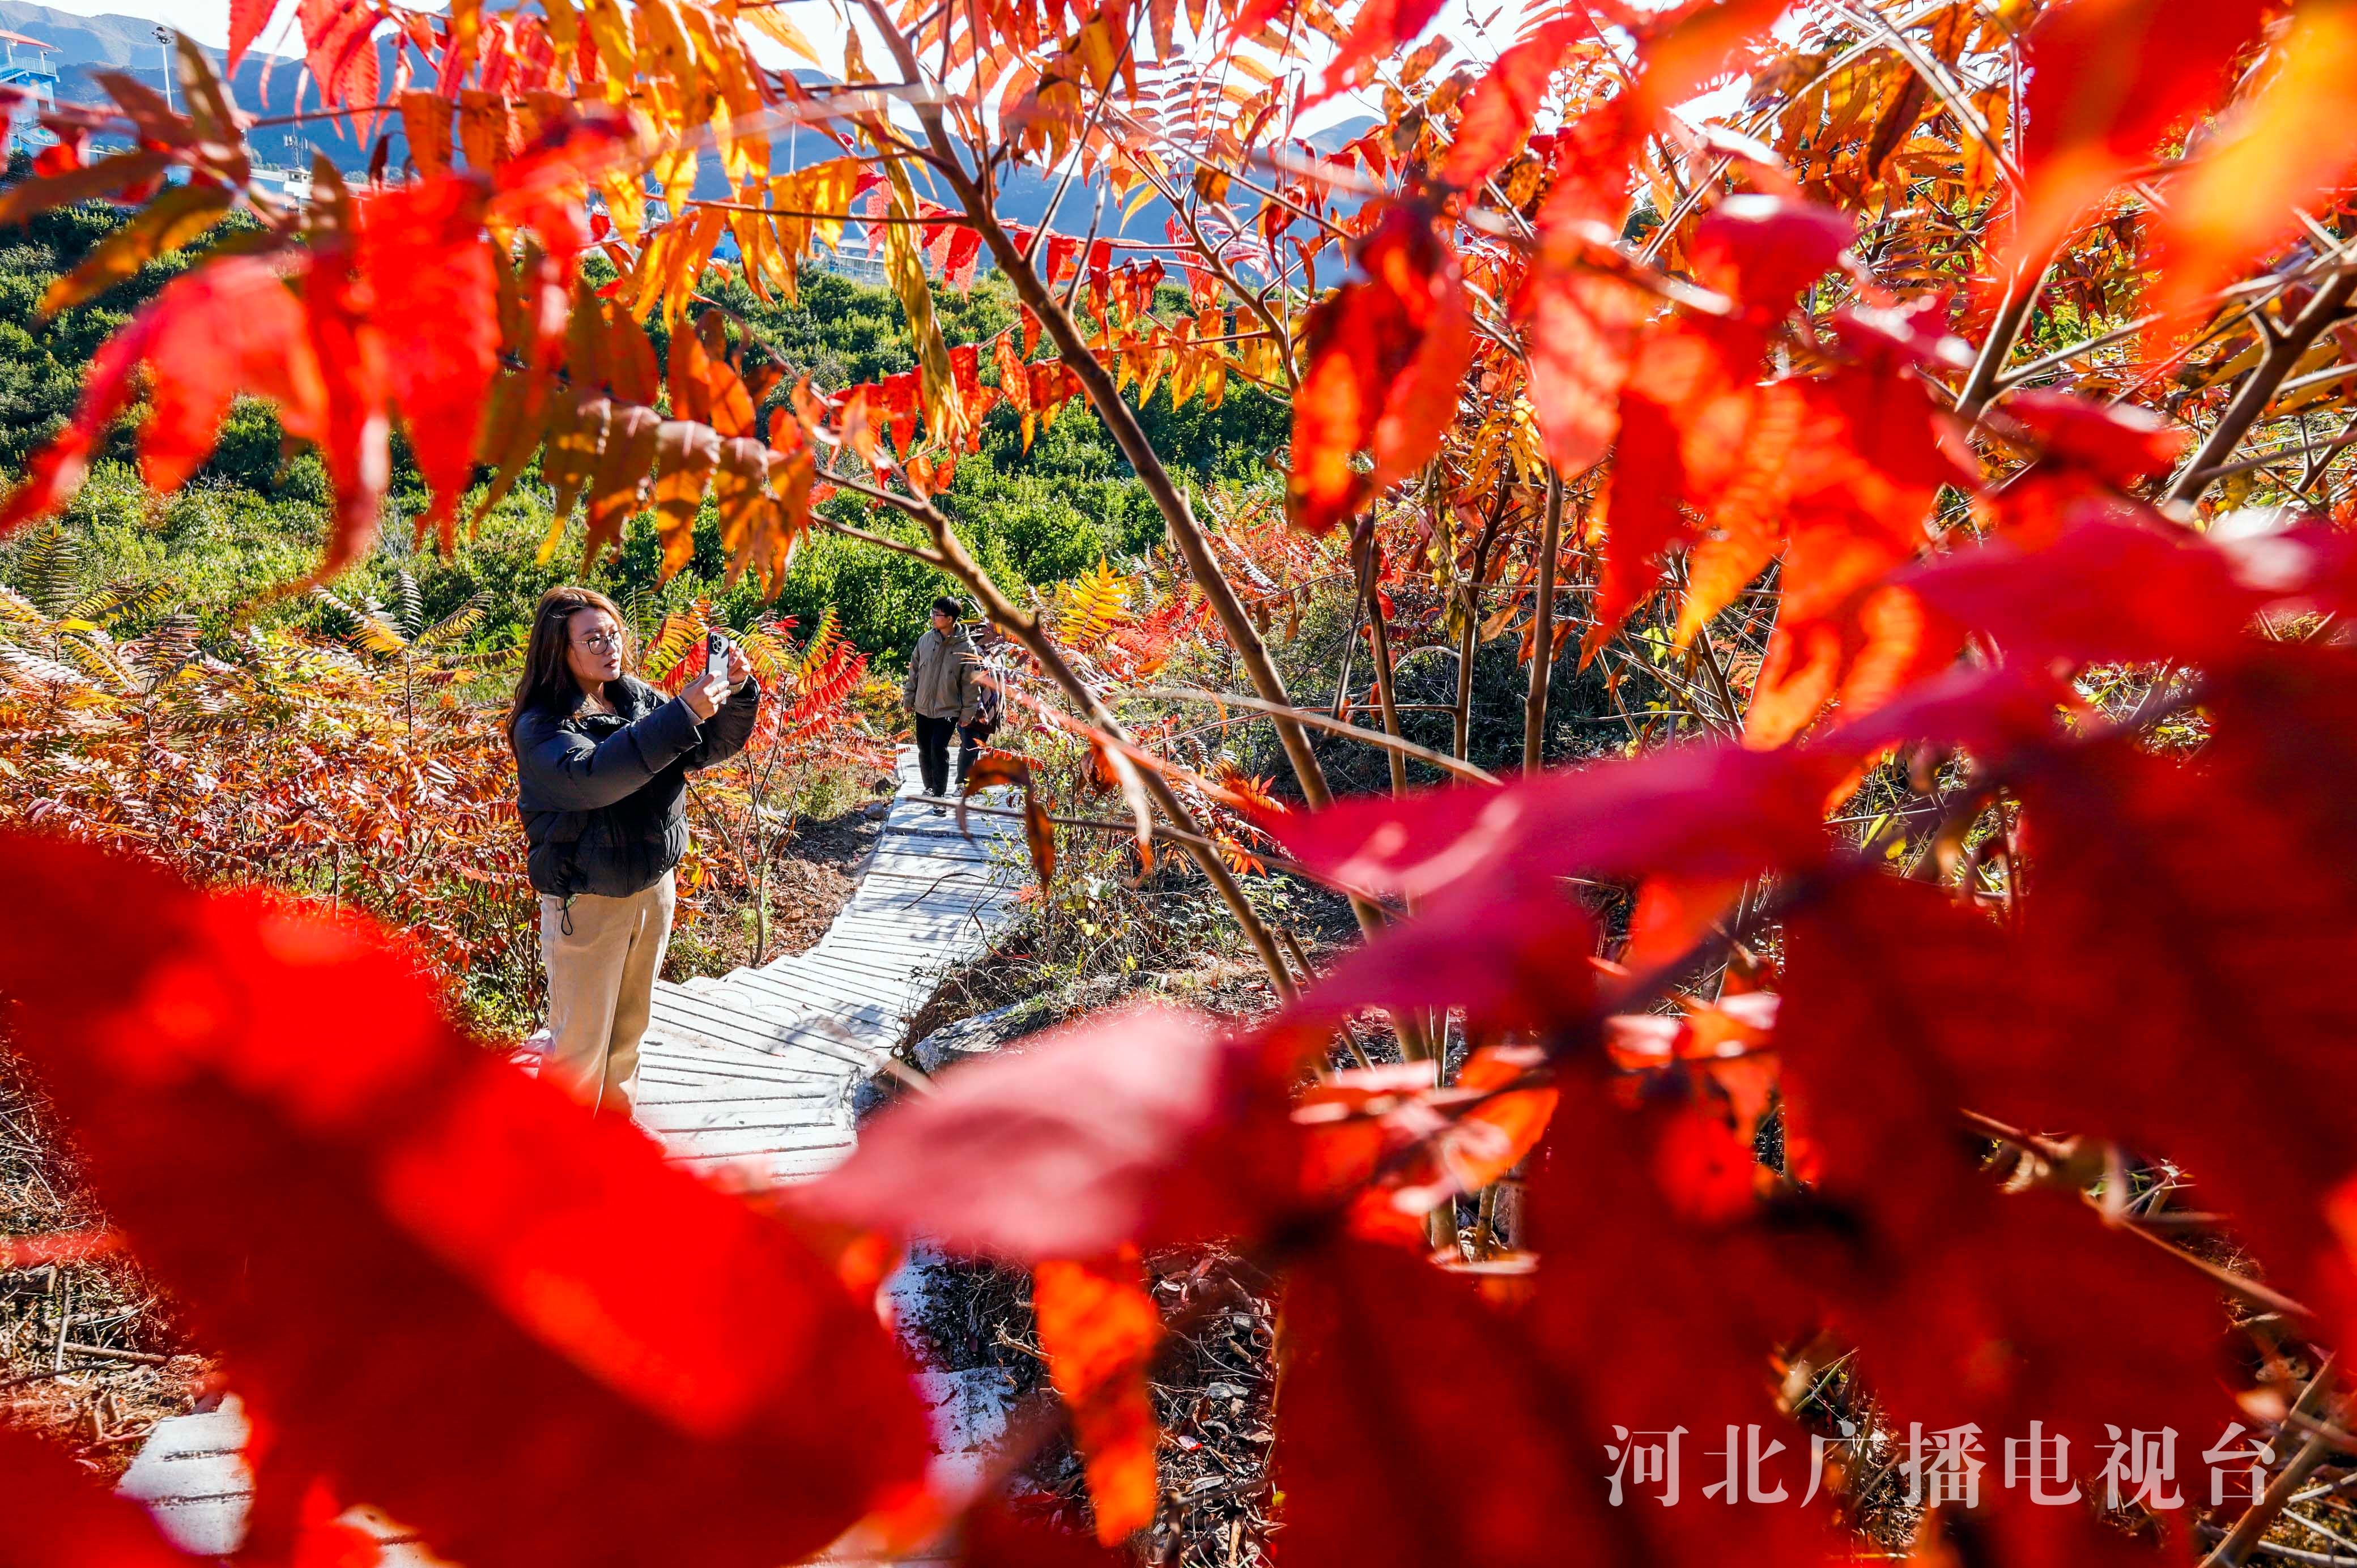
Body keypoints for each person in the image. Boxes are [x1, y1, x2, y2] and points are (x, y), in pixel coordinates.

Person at [508, 586, 759, 1117]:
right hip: (589, 902)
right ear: (560, 649)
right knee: (577, 1051)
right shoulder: (543, 725)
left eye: (614, 633)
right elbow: (595, 777)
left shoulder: (631, 697)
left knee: (629, 1038)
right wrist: (681, 713)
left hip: (651, 889)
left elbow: (705, 745)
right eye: (592, 638)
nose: (609, 646)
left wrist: (732, 693)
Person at [904, 593, 983, 813]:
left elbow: (971, 684)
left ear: (950, 619)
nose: (933, 617)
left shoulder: (966, 648)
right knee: (924, 749)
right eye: (933, 613)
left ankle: (940, 797)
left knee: (939, 748)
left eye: (938, 614)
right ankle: (929, 788)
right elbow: (914, 673)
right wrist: (909, 698)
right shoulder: (925, 641)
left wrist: (968, 713)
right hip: (923, 707)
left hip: (948, 710)